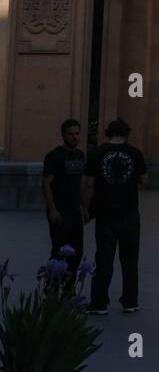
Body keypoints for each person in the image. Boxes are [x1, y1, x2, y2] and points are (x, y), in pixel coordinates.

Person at [82, 118, 147, 314]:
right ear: (127, 133)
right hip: (129, 213)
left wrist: (85, 209)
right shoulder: (135, 153)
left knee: (104, 258)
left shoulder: (96, 153)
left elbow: (89, 186)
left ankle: (99, 302)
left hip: (105, 213)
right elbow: (144, 180)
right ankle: (130, 301)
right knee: (130, 259)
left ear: (108, 133)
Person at [42, 119, 86, 290]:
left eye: (77, 133)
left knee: (76, 252)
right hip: (59, 211)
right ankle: (51, 289)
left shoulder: (80, 155)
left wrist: (83, 207)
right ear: (63, 135)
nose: (74, 137)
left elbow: (80, 183)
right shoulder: (54, 156)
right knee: (60, 250)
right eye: (70, 134)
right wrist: (52, 209)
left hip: (75, 211)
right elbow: (46, 184)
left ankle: (69, 290)